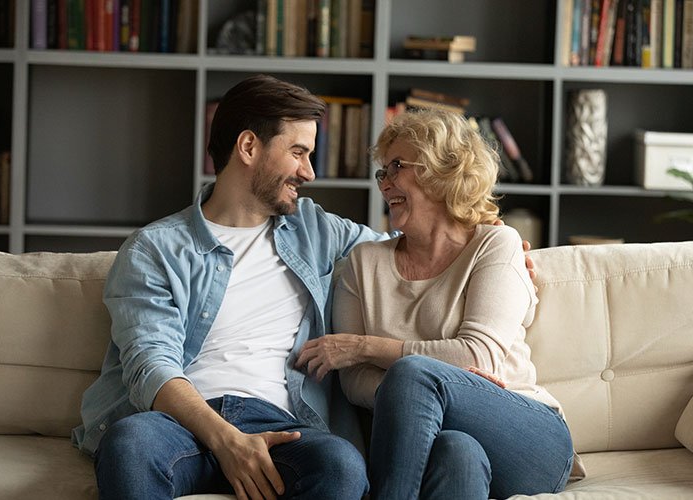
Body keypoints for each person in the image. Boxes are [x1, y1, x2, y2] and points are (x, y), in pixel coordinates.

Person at [72, 74, 380, 500]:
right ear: (249, 147)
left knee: (341, 465)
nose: (309, 171)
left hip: (283, 425)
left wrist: (470, 229)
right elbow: (150, 365)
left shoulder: (316, 229)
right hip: (179, 424)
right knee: (129, 445)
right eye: (298, 152)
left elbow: (407, 251)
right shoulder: (155, 249)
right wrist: (226, 441)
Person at [296, 108, 583, 499]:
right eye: (382, 171)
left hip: (525, 433)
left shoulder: (495, 244)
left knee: (414, 373)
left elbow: (478, 356)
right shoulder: (363, 264)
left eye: (396, 166)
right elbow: (354, 381)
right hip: (437, 442)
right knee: (456, 451)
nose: (384, 183)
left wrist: (367, 348)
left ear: (443, 170)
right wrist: (431, 390)